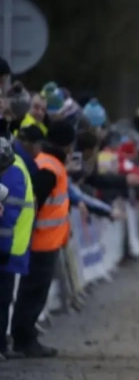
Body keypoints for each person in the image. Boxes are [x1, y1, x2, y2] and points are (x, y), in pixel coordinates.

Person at [11, 120, 76, 357]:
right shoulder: (50, 167)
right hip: (41, 241)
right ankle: (24, 338)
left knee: (34, 292)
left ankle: (25, 335)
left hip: (44, 240)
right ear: (68, 145)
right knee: (34, 292)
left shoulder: (48, 163)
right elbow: (35, 202)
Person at [0, 137, 34, 359]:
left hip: (8, 250)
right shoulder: (14, 170)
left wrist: (3, 249)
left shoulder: (12, 176)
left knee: (3, 299)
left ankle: (1, 345)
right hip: (10, 248)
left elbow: (7, 221)